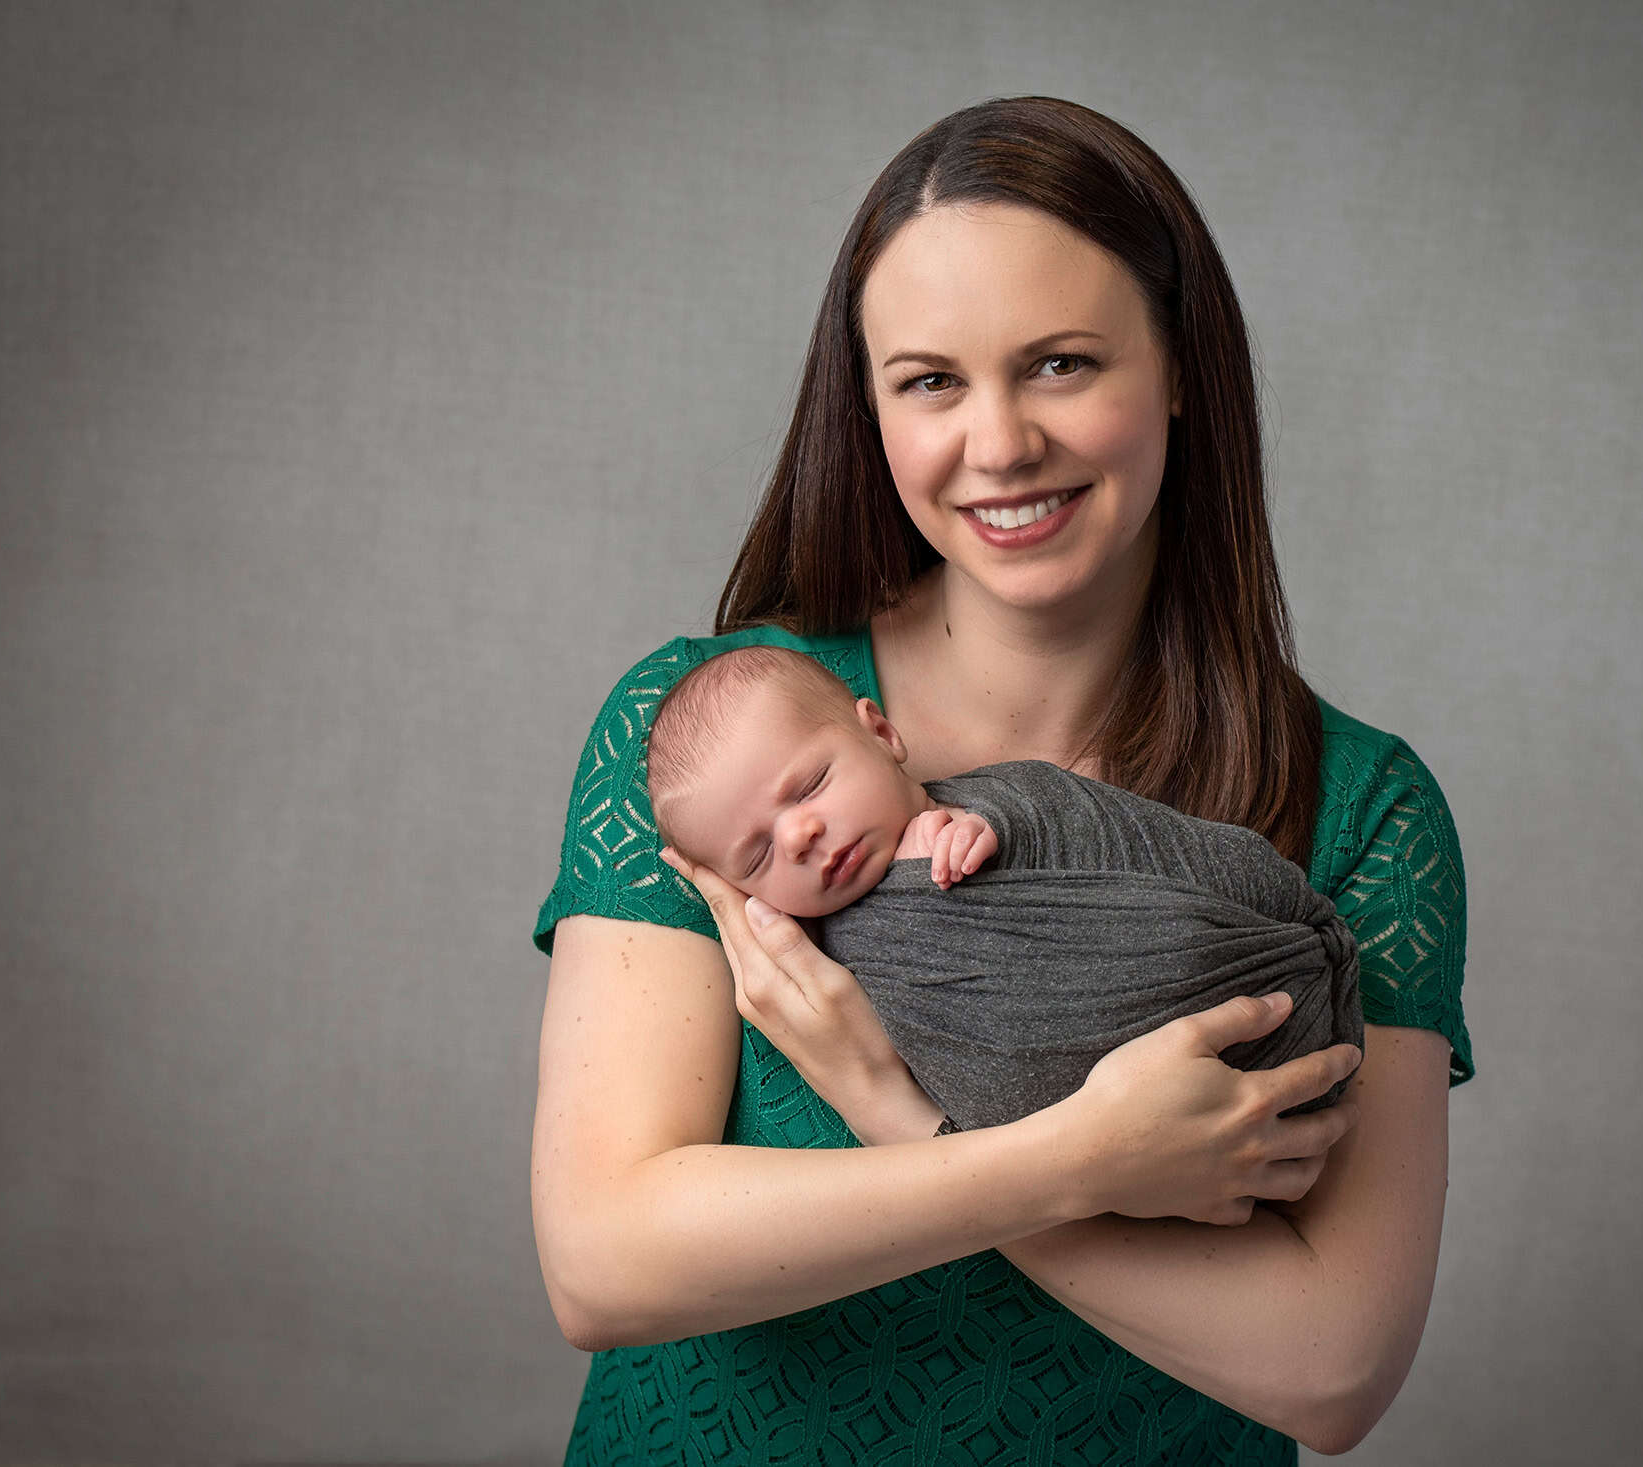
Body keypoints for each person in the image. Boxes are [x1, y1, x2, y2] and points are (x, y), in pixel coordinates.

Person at [532, 96, 1472, 1463]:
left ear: (1179, 369)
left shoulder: (1365, 809)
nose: (999, 442)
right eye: (929, 380)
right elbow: (605, 1260)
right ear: (869, 409)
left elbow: (1334, 1366)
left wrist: (894, 1114)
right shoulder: (705, 744)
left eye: (1061, 363)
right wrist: (1079, 1157)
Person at [645, 643, 1364, 1132]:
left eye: (809, 785)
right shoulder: (806, 958)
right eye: (759, 852)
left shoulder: (981, 807)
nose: (800, 836)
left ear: (882, 732)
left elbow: (1064, 818)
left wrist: (983, 827)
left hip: (1219, 982)